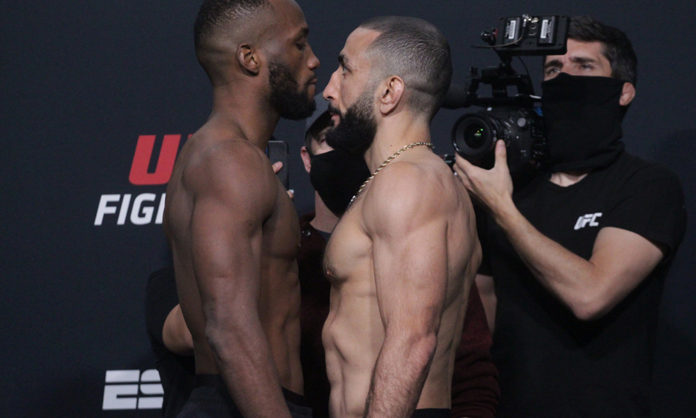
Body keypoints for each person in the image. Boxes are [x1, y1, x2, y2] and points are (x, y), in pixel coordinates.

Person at [453, 16, 687, 417]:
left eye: (584, 66)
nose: (565, 79)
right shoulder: (514, 187)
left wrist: (504, 210)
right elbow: (483, 312)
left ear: (624, 91)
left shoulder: (647, 185)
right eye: (553, 70)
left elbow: (590, 295)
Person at [162, 0, 319, 415]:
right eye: (299, 44)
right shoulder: (230, 160)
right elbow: (229, 326)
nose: (314, 60)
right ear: (249, 58)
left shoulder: (209, 153)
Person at [321, 16, 481, 417]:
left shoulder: (408, 183)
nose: (329, 89)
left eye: (345, 69)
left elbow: (413, 340)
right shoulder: (398, 180)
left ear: (390, 92)